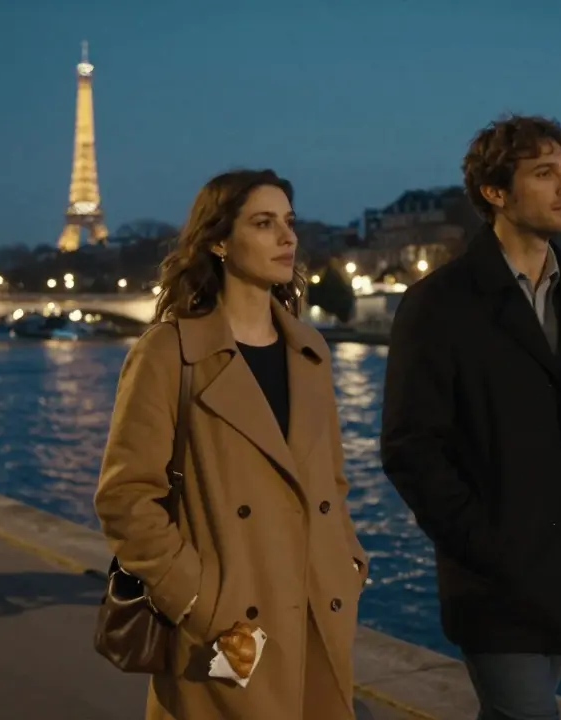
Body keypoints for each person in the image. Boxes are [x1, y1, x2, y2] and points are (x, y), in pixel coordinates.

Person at [380, 114, 561, 720]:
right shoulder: (439, 302)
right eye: (544, 173)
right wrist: (482, 543)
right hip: (494, 578)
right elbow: (410, 447)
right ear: (495, 191)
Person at [94, 169, 369, 720]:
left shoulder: (310, 352)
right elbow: (125, 499)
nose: (287, 237)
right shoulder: (169, 353)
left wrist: (349, 564)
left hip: (317, 609)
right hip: (226, 631)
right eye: (264, 223)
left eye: (289, 222)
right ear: (219, 241)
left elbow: (330, 483)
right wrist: (196, 599)